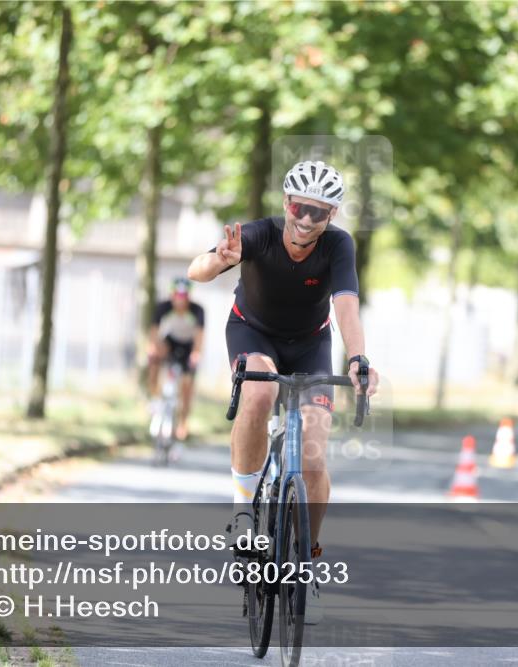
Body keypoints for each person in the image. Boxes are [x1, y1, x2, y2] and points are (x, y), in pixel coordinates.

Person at [187, 159, 380, 621]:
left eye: (320, 212)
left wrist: (356, 359)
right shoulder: (257, 234)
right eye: (300, 207)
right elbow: (195, 271)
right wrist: (219, 260)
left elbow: (347, 306)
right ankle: (242, 513)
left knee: (313, 451)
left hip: (311, 343)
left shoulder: (338, 245)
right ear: (285, 203)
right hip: (252, 333)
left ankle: (308, 549)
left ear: (332, 216)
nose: (307, 220)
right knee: (258, 393)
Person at [147, 278, 205, 441]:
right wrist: (152, 348)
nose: (180, 300)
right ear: (172, 295)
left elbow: (200, 336)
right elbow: (153, 332)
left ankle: (182, 423)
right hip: (170, 342)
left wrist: (196, 353)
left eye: (184, 296)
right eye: (177, 296)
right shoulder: (163, 307)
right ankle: (154, 397)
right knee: (154, 355)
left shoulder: (197, 310)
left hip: (188, 346)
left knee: (187, 386)